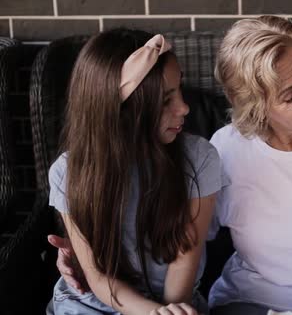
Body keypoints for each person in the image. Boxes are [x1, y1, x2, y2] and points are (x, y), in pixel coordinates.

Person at [49, 16, 292, 315]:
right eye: (289, 96)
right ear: (253, 103)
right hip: (251, 304)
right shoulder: (227, 149)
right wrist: (82, 256)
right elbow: (163, 234)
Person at [46, 28, 221, 315]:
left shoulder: (198, 158)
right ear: (122, 111)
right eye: (166, 101)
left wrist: (164, 312)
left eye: (180, 90)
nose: (185, 108)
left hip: (174, 304)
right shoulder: (69, 172)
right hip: (92, 303)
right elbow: (98, 277)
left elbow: (183, 266)